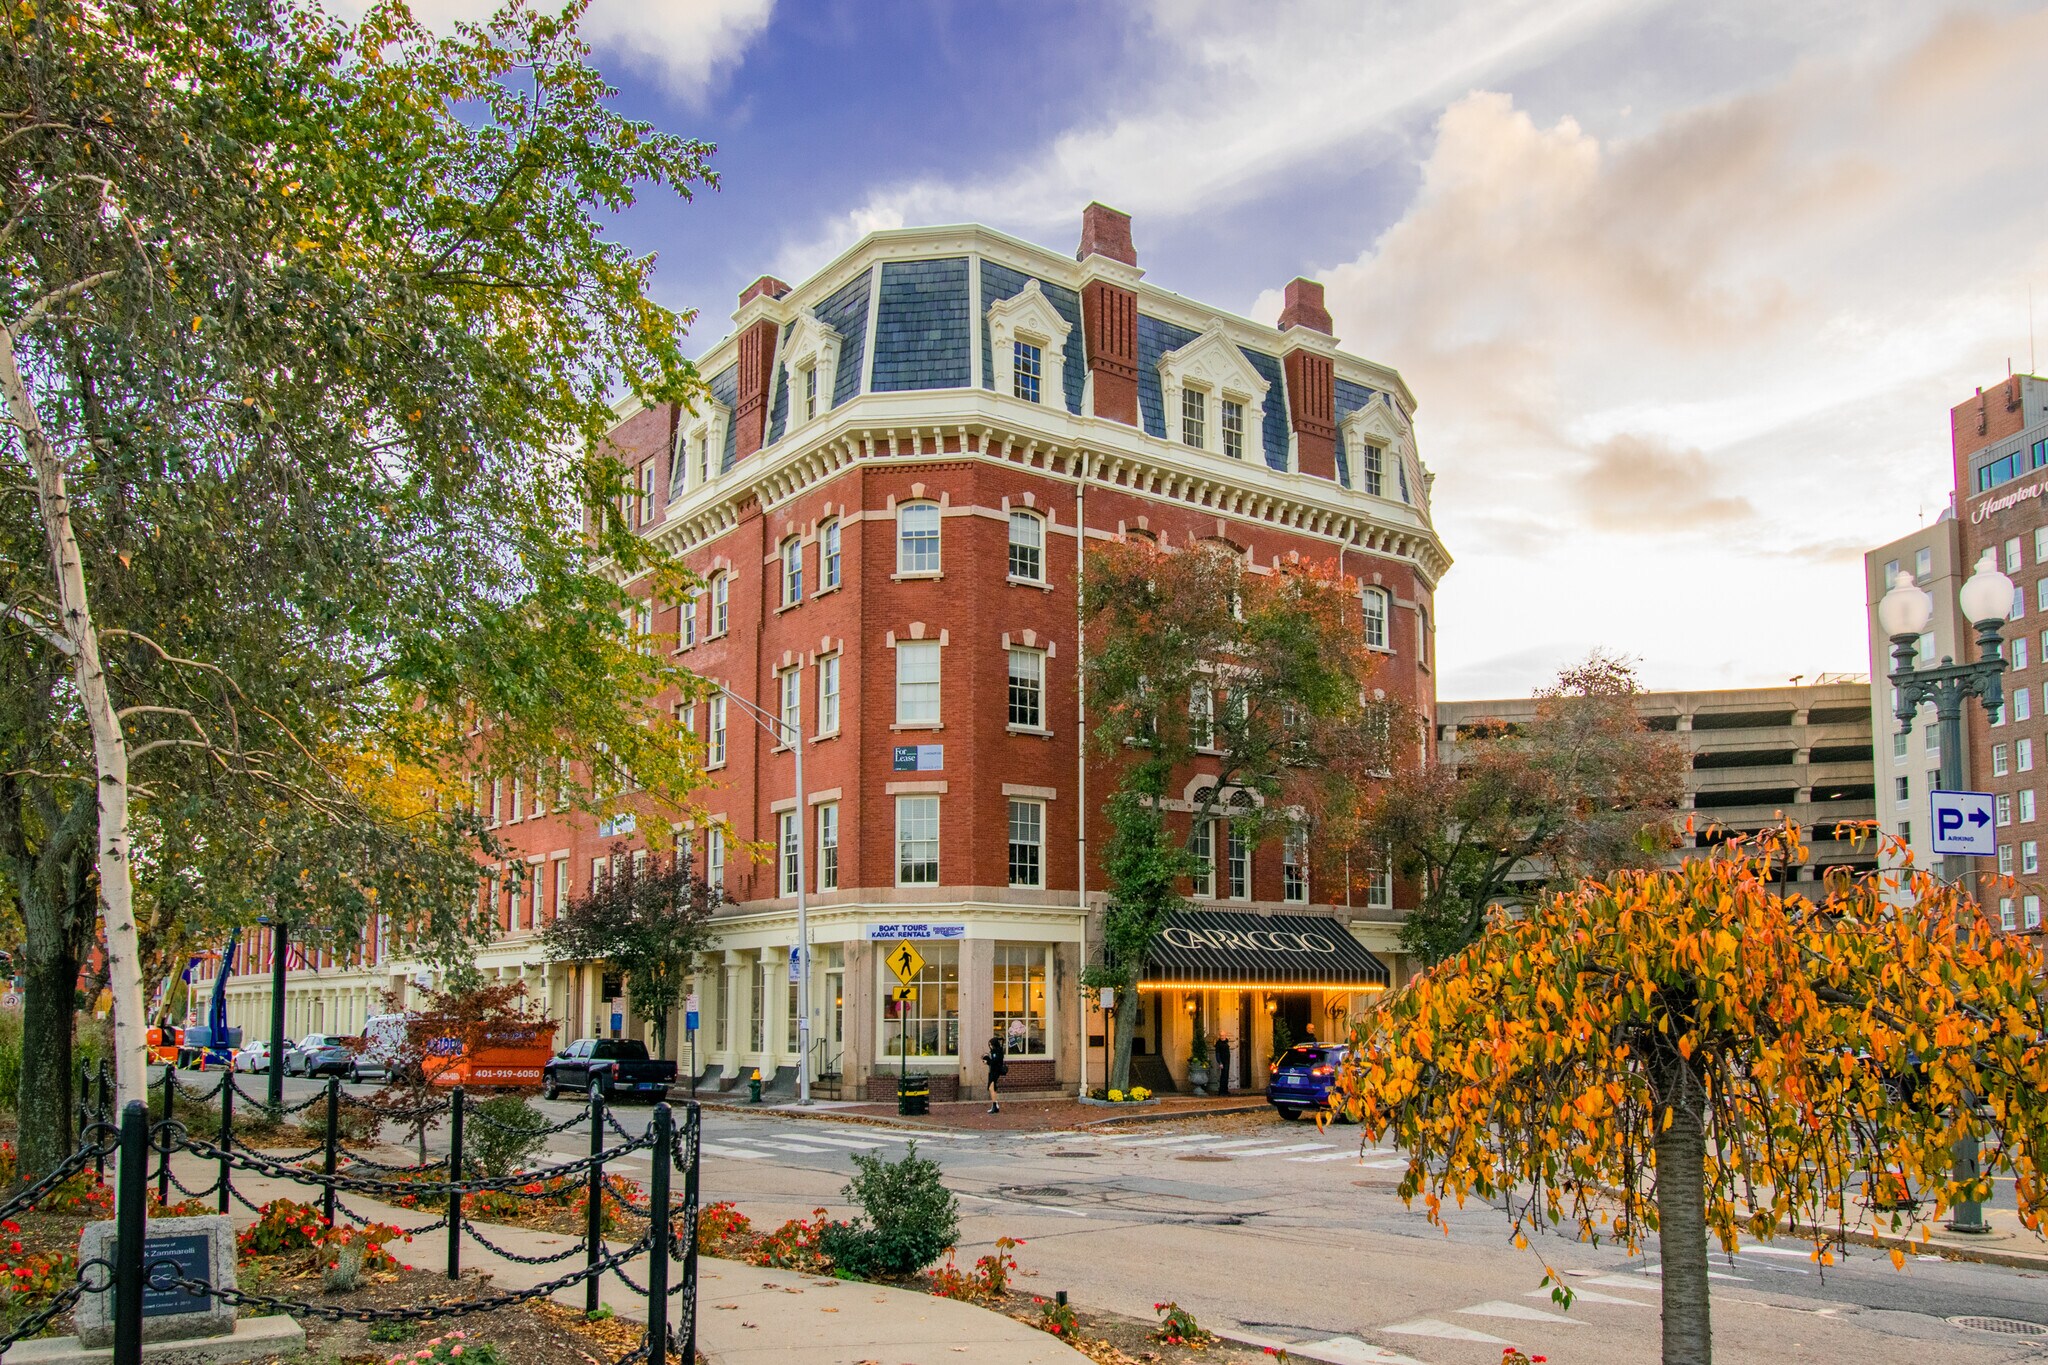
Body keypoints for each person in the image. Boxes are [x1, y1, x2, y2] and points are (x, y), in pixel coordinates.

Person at [983, 1033, 1008, 1114]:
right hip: (993, 1071)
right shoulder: (997, 1051)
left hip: (994, 1071)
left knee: (991, 1088)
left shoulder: (996, 1052)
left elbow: (995, 1062)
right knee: (992, 1088)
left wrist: (987, 1061)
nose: (990, 1046)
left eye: (991, 1045)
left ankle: (995, 1105)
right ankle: (995, 1104)